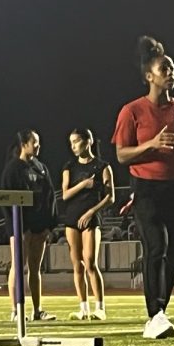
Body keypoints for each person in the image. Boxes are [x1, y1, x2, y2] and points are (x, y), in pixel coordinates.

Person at [112, 35, 174, 339]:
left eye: (173, 68)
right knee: (157, 245)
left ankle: (162, 309)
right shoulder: (132, 111)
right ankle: (155, 315)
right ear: (148, 76)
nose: (171, 73)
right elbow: (121, 154)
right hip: (146, 188)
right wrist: (151, 144)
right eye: (164, 68)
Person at [0, 129, 57, 321]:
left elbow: (50, 197)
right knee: (18, 266)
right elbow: (7, 201)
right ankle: (16, 311)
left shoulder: (41, 168)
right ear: (24, 144)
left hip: (39, 227)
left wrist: (50, 225)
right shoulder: (13, 169)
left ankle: (37, 310)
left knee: (35, 268)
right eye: (35, 142)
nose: (38, 146)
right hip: (20, 227)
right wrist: (18, 228)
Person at [61, 128, 114, 321]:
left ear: (88, 141)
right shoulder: (69, 166)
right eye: (71, 142)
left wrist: (92, 211)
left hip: (90, 218)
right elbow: (65, 194)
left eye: (77, 141)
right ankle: (83, 308)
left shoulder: (102, 166)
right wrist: (84, 184)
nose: (73, 146)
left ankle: (100, 307)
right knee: (77, 265)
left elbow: (110, 197)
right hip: (72, 217)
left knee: (90, 262)